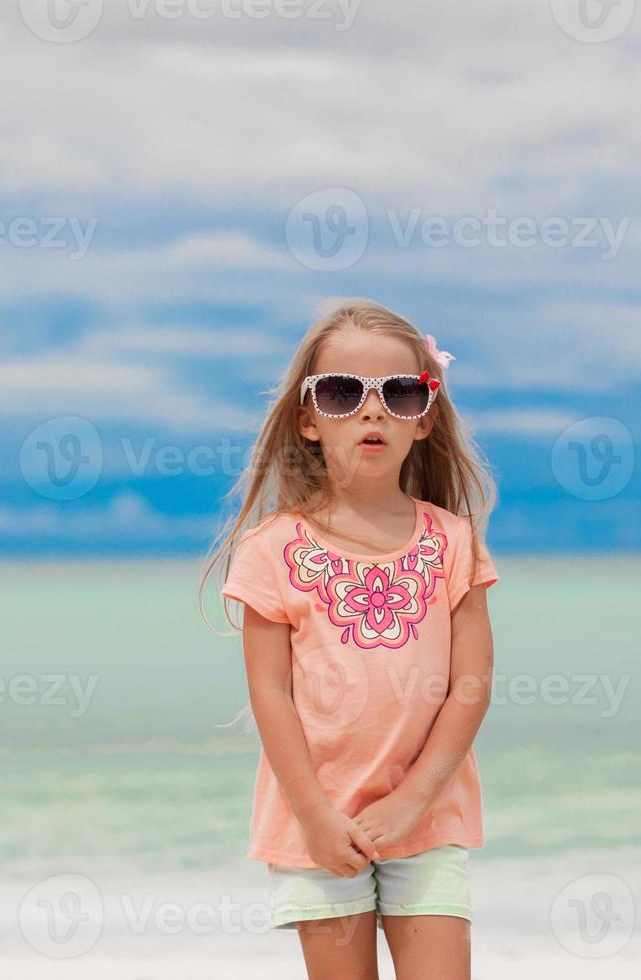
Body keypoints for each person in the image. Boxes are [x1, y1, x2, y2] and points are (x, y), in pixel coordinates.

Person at [202, 298, 500, 979]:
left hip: (428, 818)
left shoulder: (452, 543)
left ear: (424, 417)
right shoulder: (272, 549)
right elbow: (270, 694)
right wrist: (312, 814)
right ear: (308, 417)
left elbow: (470, 686)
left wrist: (413, 798)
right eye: (342, 393)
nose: (371, 411)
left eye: (397, 393)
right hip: (317, 825)